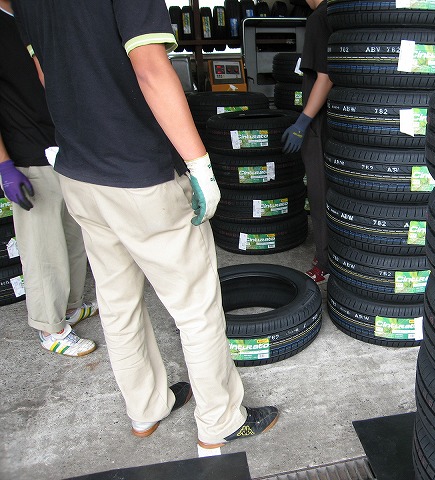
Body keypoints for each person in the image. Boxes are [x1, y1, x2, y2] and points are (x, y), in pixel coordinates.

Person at [14, 0, 278, 458]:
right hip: (141, 175)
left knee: (117, 303)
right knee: (195, 309)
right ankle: (220, 422)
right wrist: (200, 165)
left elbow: (44, 72)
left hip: (79, 173)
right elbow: (152, 68)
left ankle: (146, 409)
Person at [0, 1, 98, 357]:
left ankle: (69, 307)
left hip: (63, 145)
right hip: (25, 152)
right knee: (43, 247)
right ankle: (49, 327)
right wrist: (4, 165)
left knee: (73, 235)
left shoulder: (32, 16)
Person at [281, 0, 333, 283]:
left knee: (318, 190)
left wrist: (303, 122)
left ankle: (324, 263)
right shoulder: (339, 13)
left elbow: (325, 77)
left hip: (319, 122)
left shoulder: (319, 17)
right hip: (338, 118)